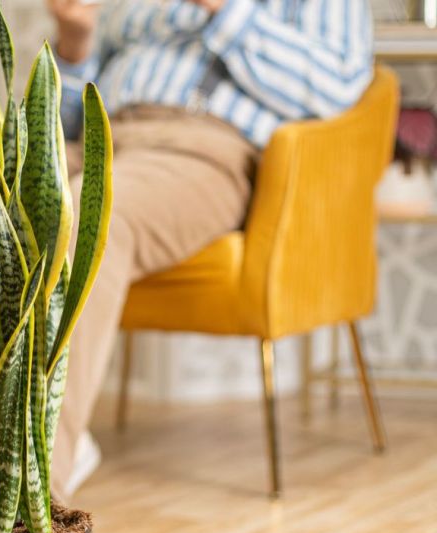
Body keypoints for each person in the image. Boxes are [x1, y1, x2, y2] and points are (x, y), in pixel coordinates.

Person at [48, 0, 375, 499]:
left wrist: (225, 9)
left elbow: (336, 87)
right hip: (101, 137)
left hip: (201, 150)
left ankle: (36, 484)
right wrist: (75, 44)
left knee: (93, 213)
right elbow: (70, 117)